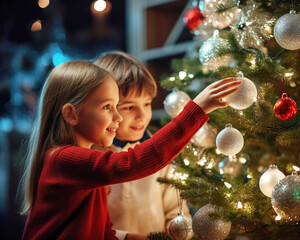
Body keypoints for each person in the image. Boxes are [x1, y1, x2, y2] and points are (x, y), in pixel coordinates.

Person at [19, 60, 241, 240]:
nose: (117, 117)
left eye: (117, 106)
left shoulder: (86, 169)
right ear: (71, 114)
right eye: (107, 107)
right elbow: (133, 163)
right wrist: (197, 109)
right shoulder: (64, 159)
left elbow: (104, 233)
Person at [93, 51, 191, 240]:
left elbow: (177, 212)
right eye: (129, 107)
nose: (142, 115)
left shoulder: (160, 151)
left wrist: (177, 233)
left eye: (146, 104)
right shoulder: (90, 156)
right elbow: (89, 227)